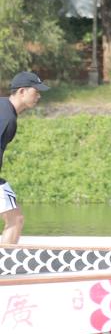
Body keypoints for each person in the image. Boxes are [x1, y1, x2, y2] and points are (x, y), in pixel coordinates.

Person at [0, 72, 49, 244]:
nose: (39, 96)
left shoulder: (3, 106)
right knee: (15, 220)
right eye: (36, 91)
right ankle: (5, 260)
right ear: (22, 91)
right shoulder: (7, 118)